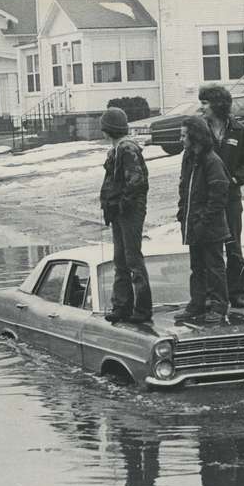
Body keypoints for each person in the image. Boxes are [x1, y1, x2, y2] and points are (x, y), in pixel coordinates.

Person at [198, 85, 244, 310]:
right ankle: (212, 295)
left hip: (231, 199)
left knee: (233, 246)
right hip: (206, 200)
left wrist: (235, 180)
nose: (201, 107)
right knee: (209, 248)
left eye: (205, 103)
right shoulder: (200, 130)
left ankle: (238, 293)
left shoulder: (239, 131)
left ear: (218, 105)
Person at [174, 116, 230, 325]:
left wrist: (203, 221)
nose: (181, 139)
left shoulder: (211, 160)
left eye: (183, 135)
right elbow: (184, 188)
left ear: (194, 136)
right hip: (193, 225)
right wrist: (183, 213)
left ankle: (218, 306)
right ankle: (197, 303)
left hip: (210, 227)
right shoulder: (189, 158)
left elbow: (219, 194)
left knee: (214, 267)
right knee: (196, 266)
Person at [99, 106, 152, 323]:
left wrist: (121, 204)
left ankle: (142, 309)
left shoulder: (127, 149)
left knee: (132, 259)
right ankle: (122, 306)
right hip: (120, 212)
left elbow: (137, 182)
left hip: (129, 212)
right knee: (120, 259)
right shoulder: (117, 149)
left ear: (108, 129)